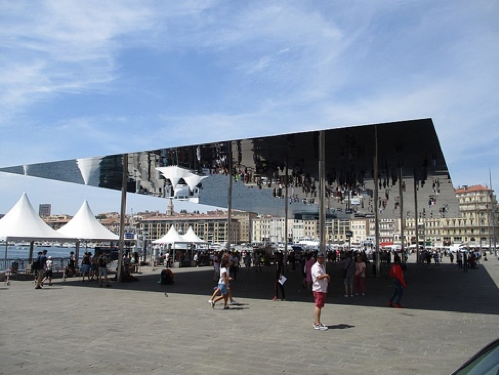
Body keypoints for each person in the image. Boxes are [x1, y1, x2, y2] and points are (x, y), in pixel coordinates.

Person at [311, 252, 330, 330]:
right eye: (320, 258)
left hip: (322, 288)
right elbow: (318, 277)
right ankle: (317, 323)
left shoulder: (322, 266)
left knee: (320, 305)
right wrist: (326, 275)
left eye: (322, 258)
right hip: (318, 288)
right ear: (317, 258)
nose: (321, 259)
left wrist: (327, 278)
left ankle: (317, 322)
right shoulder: (316, 267)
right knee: (318, 305)